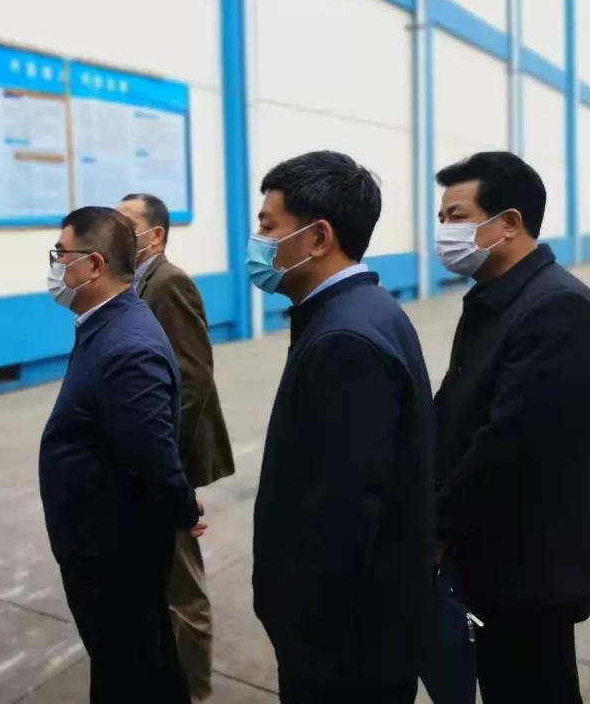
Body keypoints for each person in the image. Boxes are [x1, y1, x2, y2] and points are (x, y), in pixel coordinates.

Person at [249, 151, 435, 704]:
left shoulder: (344, 340)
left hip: (345, 651)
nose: (258, 241)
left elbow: (341, 518)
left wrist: (304, 633)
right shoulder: (363, 310)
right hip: (361, 636)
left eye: (268, 227)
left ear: (318, 237)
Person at [433, 152, 590, 703]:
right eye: (441, 218)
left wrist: (437, 526)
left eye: (457, 216)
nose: (444, 231)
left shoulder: (558, 307)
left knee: (534, 686)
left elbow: (509, 444)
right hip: (489, 557)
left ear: (509, 223)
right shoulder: (496, 297)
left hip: (527, 568)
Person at [39, 206, 205, 704]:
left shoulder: (127, 345)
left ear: (93, 265)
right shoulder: (103, 325)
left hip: (113, 553)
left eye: (60, 254)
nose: (54, 266)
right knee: (141, 663)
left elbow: (153, 455)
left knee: (129, 670)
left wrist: (183, 505)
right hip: (102, 541)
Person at [116, 192, 234, 702]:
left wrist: (165, 461)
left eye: (126, 224)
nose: (115, 231)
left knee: (182, 586)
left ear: (155, 234)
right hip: (150, 460)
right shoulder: (133, 283)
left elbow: (193, 378)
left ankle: (195, 692)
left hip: (167, 460)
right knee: (158, 577)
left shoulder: (169, 282)